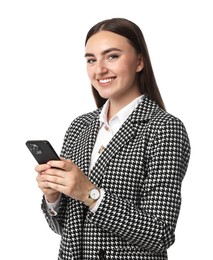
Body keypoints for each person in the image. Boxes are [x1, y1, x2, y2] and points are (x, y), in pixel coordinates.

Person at [35, 17, 190, 260]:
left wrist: (91, 194)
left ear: (139, 62)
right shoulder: (80, 126)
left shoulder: (164, 128)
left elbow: (160, 234)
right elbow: (65, 230)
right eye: (91, 60)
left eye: (112, 56)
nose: (99, 70)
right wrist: (52, 198)